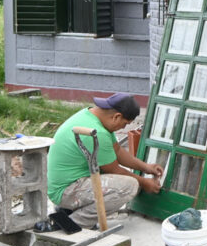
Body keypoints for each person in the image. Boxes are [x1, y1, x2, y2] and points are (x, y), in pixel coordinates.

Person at [43, 92, 163, 230]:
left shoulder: (91, 116)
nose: (124, 128)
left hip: (63, 184)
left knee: (123, 180)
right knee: (129, 186)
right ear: (116, 116)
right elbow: (114, 169)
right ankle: (70, 224)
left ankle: (68, 210)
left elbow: (117, 151)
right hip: (65, 191)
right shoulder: (97, 132)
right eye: (125, 124)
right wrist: (144, 182)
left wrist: (146, 167)